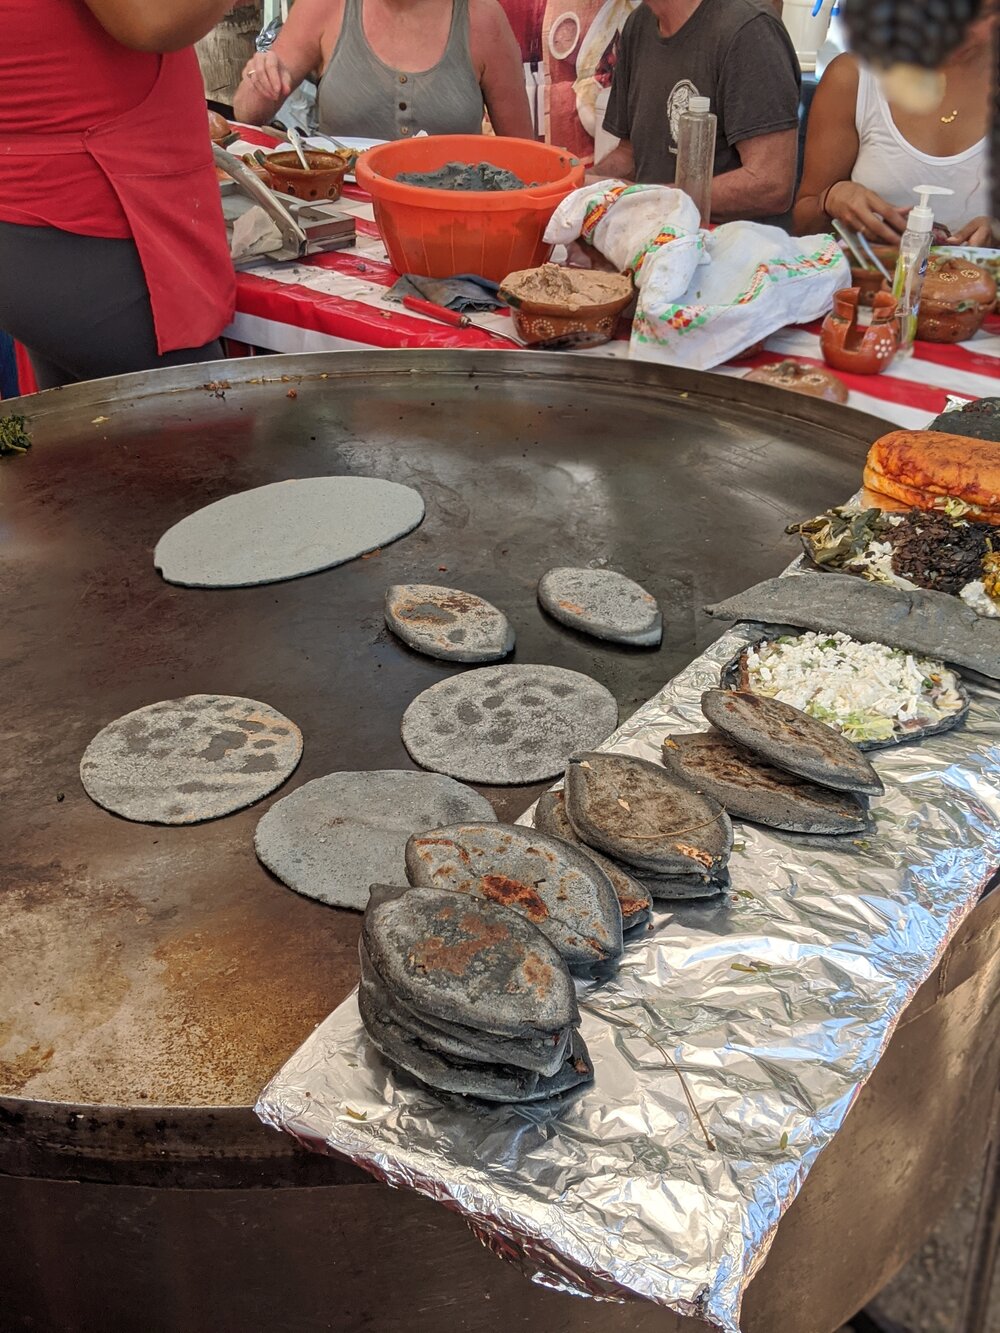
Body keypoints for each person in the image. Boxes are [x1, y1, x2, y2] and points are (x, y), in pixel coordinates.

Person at [0, 0, 236, 391]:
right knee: (207, 430)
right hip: (82, 217)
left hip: (59, 215)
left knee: (87, 442)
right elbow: (153, 17)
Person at [792, 2, 997, 246]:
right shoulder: (854, 78)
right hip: (865, 280)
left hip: (982, 280)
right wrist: (830, 200)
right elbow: (803, 226)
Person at [591, 0, 801, 221]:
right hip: (653, 236)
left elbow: (771, 185)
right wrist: (579, 185)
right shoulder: (639, 24)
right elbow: (631, 155)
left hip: (723, 245)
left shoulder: (748, 30)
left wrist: (648, 200)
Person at [232, 0, 534, 142]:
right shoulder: (324, 8)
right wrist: (259, 78)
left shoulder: (482, 18)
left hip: (451, 225)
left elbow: (524, 155)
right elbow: (248, 113)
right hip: (341, 222)